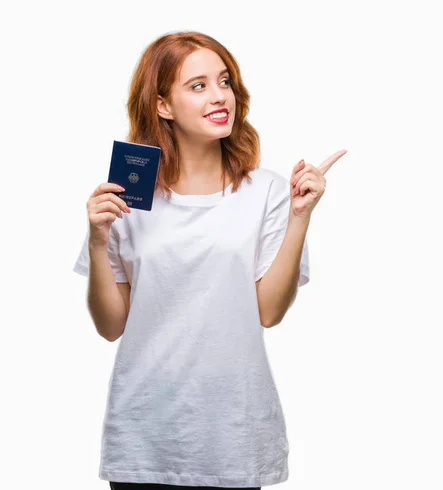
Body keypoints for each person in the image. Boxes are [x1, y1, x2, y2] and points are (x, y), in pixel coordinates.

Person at [73, 31, 346, 489]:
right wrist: (99, 242)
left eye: (224, 81)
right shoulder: (127, 197)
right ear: (163, 105)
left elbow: (270, 312)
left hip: (233, 434)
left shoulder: (267, 192)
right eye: (197, 86)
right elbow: (110, 326)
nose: (221, 96)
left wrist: (300, 218)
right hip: (145, 435)